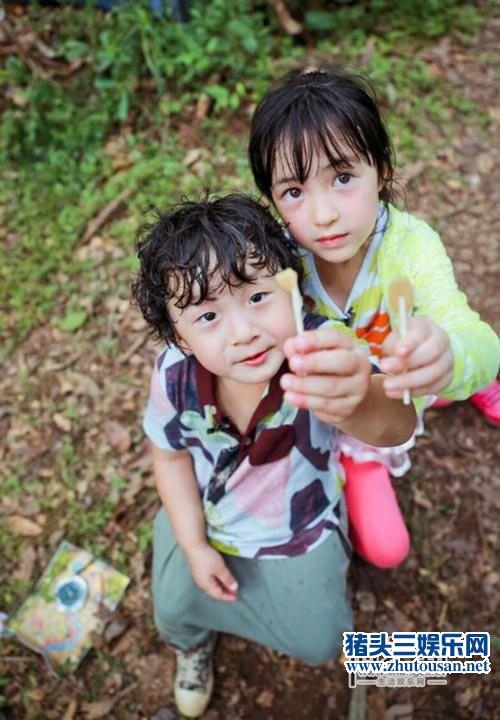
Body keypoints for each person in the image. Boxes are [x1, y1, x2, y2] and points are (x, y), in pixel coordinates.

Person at [131, 194, 416, 718]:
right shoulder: (172, 374)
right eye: (208, 314)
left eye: (259, 296)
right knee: (172, 607)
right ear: (179, 336)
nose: (244, 333)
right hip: (211, 515)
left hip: (298, 525)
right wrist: (194, 544)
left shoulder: (324, 349)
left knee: (320, 643)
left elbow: (397, 426)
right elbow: (168, 455)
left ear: (291, 281)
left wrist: (357, 398)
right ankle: (193, 643)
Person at [248, 67, 500, 568]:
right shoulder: (278, 261)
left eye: (343, 178)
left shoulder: (411, 246)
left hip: (406, 376)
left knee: (444, 358)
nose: (322, 215)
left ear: (382, 170)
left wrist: (454, 356)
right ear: (272, 201)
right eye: (294, 192)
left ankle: (459, 386)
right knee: (386, 551)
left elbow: (479, 340)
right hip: (355, 413)